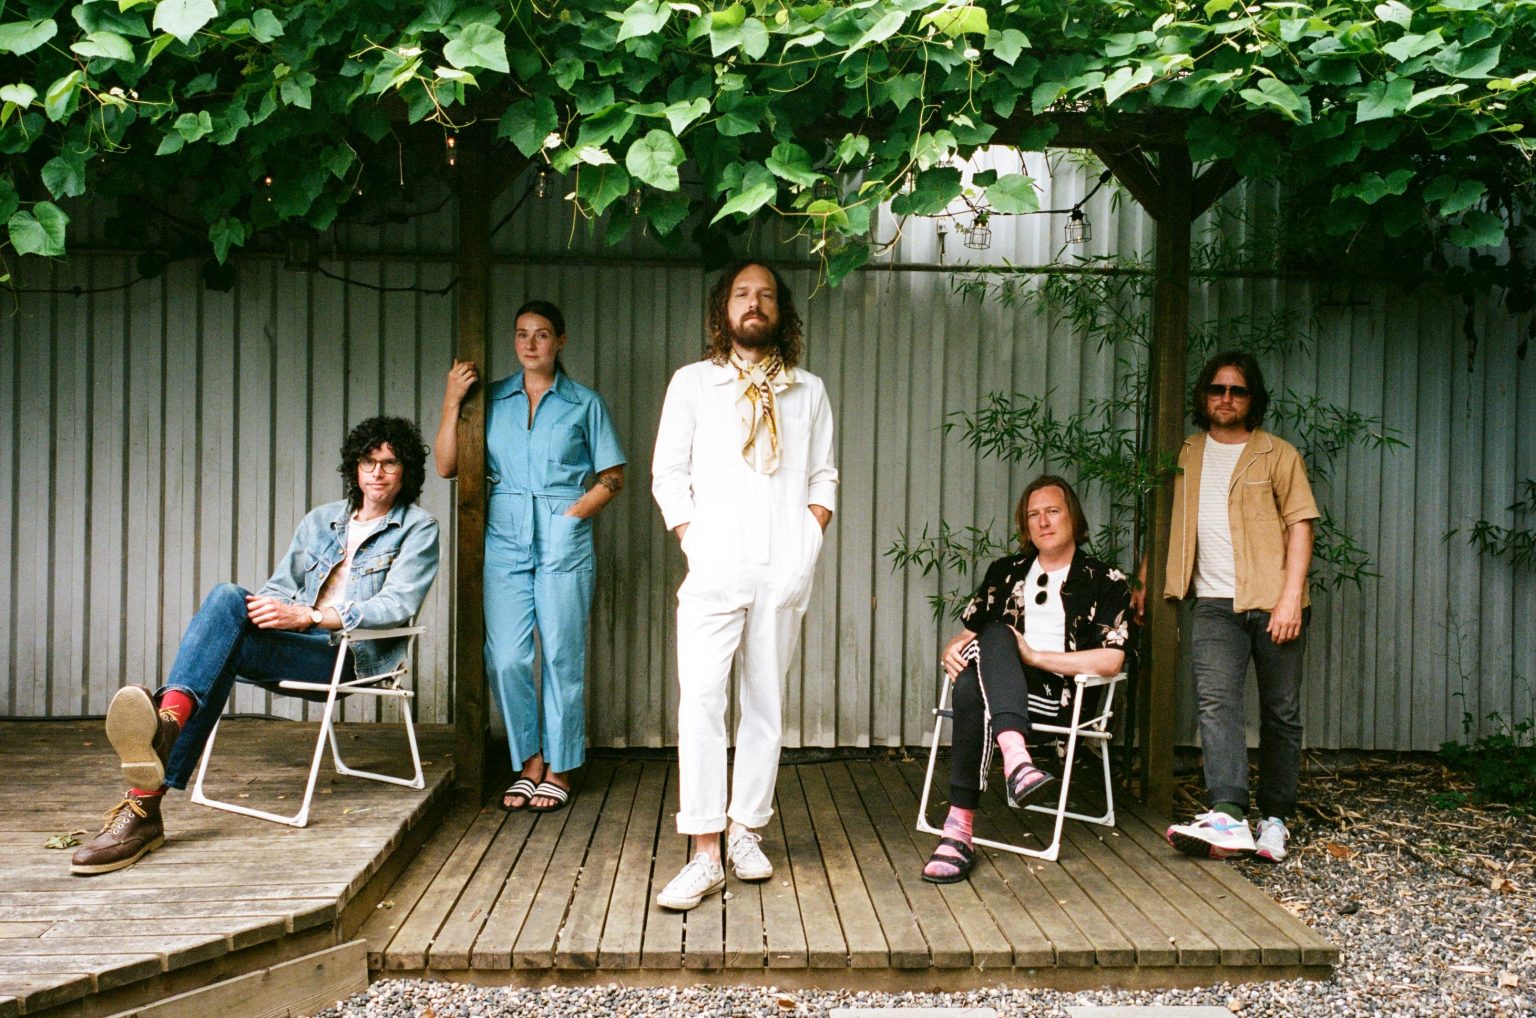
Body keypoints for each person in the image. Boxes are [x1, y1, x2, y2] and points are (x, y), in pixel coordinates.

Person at [71, 416, 440, 875]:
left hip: (346, 655)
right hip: (292, 642)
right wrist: (274, 612)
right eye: (369, 461)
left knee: (220, 642)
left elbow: (396, 604)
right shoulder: (320, 521)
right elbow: (280, 588)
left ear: (406, 471)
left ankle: (148, 787)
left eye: (390, 463)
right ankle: (163, 741)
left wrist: (309, 616)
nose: (378, 472)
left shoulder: (418, 529)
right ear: (355, 467)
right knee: (227, 598)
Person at [650, 261, 837, 911]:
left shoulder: (807, 391)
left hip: (781, 566)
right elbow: (668, 473)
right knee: (701, 699)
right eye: (741, 294)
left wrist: (805, 545)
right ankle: (704, 851)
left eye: (765, 295)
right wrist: (696, 543)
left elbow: (823, 475)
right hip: (714, 566)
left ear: (781, 311)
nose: (753, 304)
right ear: (723, 309)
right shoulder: (693, 384)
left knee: (765, 702)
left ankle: (745, 831)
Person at [435, 300, 625, 813]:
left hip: (564, 537)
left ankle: (560, 767)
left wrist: (572, 516)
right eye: (522, 334)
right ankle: (530, 760)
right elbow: (447, 466)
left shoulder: (585, 403)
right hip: (504, 537)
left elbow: (613, 476)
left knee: (561, 653)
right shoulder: (490, 400)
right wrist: (452, 400)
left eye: (542, 334)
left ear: (560, 341)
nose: (531, 343)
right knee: (507, 657)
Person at [1137, 351, 1319, 863]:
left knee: (1281, 713)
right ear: (1203, 396)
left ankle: (1276, 819)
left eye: (1237, 390)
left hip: (1273, 601)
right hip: (1214, 603)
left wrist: (1290, 598)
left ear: (1252, 399)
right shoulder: (1186, 453)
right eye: (1217, 389)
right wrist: (1146, 579)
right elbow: (1166, 521)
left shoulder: (1278, 454)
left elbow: (1301, 525)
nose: (1226, 398)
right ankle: (1229, 815)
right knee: (1217, 705)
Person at [921, 475, 1132, 883]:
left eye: (1052, 511)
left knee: (990, 649)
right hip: (1003, 695)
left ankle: (959, 829)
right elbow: (968, 636)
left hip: (1061, 697)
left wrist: (1033, 656)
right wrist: (951, 649)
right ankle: (1016, 762)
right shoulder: (1005, 571)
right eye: (1033, 515)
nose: (1043, 522)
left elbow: (1111, 660)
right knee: (979, 664)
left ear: (1073, 518)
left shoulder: (1106, 581)